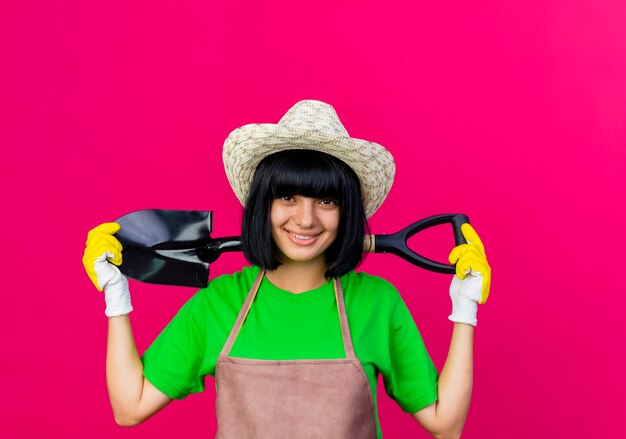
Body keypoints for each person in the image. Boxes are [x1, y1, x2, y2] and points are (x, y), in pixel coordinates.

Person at [82, 100, 491, 439]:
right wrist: (117, 298)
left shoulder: (377, 302)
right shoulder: (218, 304)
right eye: (288, 197)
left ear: (346, 212)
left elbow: (445, 423)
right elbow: (129, 407)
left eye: (327, 201)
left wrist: (465, 310)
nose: (307, 218)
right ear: (264, 205)